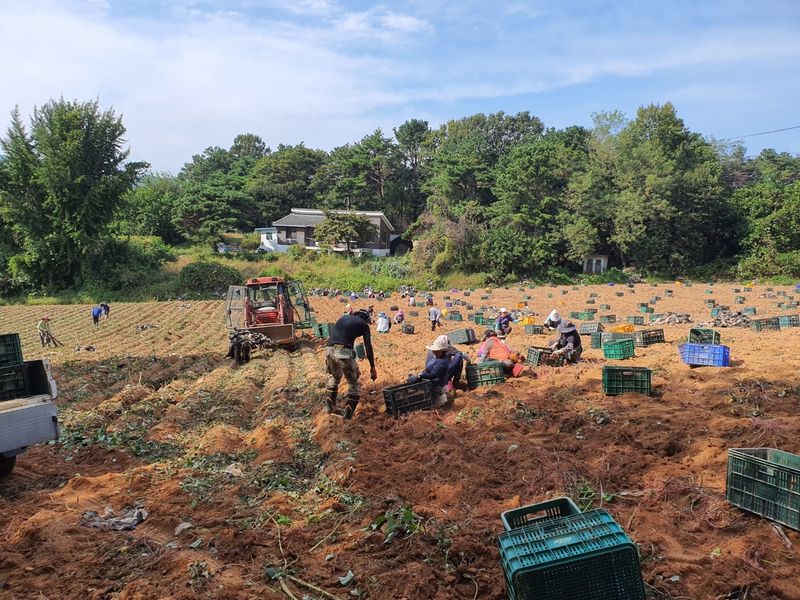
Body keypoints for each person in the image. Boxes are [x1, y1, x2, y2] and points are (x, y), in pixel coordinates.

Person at [325, 309, 377, 419]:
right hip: (342, 351)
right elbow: (368, 346)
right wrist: (372, 367)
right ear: (365, 319)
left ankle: (330, 407)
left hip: (329, 349)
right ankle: (347, 415)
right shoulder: (363, 324)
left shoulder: (343, 318)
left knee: (335, 376)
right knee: (353, 383)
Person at [414, 336, 451, 408]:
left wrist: (420, 376)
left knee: (436, 409)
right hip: (430, 388)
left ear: (443, 351)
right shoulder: (435, 359)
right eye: (434, 350)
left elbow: (433, 375)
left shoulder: (443, 362)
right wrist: (420, 374)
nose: (434, 352)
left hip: (436, 392)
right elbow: (427, 370)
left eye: (437, 351)